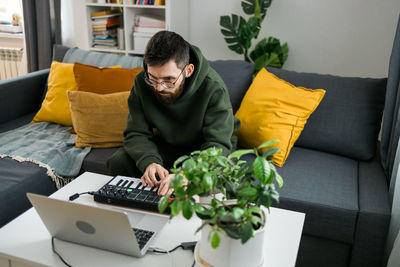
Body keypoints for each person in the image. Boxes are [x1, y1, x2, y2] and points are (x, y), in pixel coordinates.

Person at [107, 31, 239, 195]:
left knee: (215, 179)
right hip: (167, 146)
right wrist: (149, 162)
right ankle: (135, 211)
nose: (159, 87)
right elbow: (136, 132)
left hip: (204, 150)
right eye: (153, 78)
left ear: (188, 70)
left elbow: (218, 145)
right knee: (119, 161)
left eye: (169, 80)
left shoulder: (213, 87)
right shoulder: (141, 82)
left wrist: (188, 174)